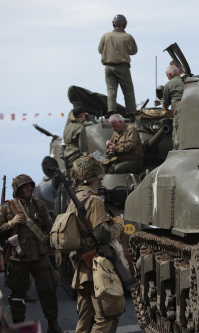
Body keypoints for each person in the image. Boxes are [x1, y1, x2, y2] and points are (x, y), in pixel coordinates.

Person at [68, 155, 125, 332]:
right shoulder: (93, 200)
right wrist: (119, 226)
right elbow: (102, 234)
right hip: (96, 266)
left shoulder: (75, 199)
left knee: (85, 317)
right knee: (107, 316)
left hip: (82, 266)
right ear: (95, 176)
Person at [0, 174, 63, 333]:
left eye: (30, 186)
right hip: (17, 258)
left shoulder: (40, 205)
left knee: (48, 290)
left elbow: (50, 230)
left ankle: (53, 324)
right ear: (17, 190)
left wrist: (56, 250)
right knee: (17, 295)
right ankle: (19, 326)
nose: (29, 188)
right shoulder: (7, 208)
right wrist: (11, 223)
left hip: (40, 257)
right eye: (24, 186)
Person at [98, 14, 138, 116]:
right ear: (124, 24)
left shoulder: (105, 36)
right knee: (128, 92)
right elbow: (134, 51)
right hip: (123, 68)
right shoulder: (128, 37)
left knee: (111, 91)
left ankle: (111, 112)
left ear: (113, 24)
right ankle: (131, 114)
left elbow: (100, 50)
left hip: (109, 68)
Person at [154, 65, 184, 147]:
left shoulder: (169, 84)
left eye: (167, 76)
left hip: (179, 111)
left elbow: (165, 106)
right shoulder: (186, 81)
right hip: (190, 108)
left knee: (177, 132)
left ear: (170, 75)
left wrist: (161, 102)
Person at [62, 105, 89, 176]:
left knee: (71, 180)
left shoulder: (67, 127)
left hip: (67, 157)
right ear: (82, 115)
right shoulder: (80, 128)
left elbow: (64, 143)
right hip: (76, 158)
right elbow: (83, 148)